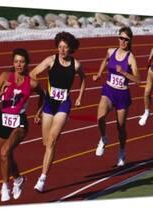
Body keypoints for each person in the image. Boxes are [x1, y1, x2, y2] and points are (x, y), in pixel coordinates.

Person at [30, 31, 86, 192]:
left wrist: (80, 97)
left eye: (65, 47)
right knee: (46, 142)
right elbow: (33, 73)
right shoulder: (50, 60)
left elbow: (83, 78)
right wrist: (39, 89)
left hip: (63, 104)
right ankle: (50, 150)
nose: (61, 50)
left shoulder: (76, 65)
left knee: (53, 140)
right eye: (60, 46)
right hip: (48, 104)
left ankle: (42, 179)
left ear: (71, 49)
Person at [0, 48, 45, 201]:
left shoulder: (32, 83)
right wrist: (2, 91)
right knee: (7, 157)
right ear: (12, 63)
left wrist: (38, 113)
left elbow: (43, 96)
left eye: (22, 62)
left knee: (4, 152)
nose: (19, 65)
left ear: (27, 64)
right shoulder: (5, 76)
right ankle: (18, 179)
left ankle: (5, 186)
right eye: (16, 62)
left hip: (19, 122)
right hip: (3, 120)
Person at [93, 27, 140, 167]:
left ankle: (122, 151)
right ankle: (103, 138)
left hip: (122, 94)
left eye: (126, 39)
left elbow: (138, 79)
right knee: (100, 117)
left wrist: (125, 73)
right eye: (121, 38)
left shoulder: (131, 58)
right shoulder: (110, 51)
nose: (122, 41)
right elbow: (105, 61)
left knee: (120, 127)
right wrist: (99, 74)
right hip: (109, 90)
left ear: (129, 41)